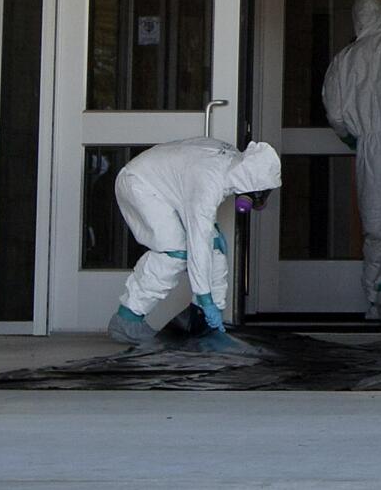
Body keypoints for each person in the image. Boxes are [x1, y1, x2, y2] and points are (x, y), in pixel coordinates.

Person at [107, 138, 282, 346]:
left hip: (167, 184)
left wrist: (210, 303)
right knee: (175, 251)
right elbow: (198, 244)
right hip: (140, 184)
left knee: (214, 246)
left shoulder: (233, 162)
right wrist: (205, 298)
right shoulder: (209, 182)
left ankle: (207, 325)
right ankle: (127, 319)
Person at [322, 0, 381, 324]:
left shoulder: (345, 58)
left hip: (368, 146)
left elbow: (335, 113)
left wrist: (353, 142)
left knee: (374, 226)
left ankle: (373, 301)